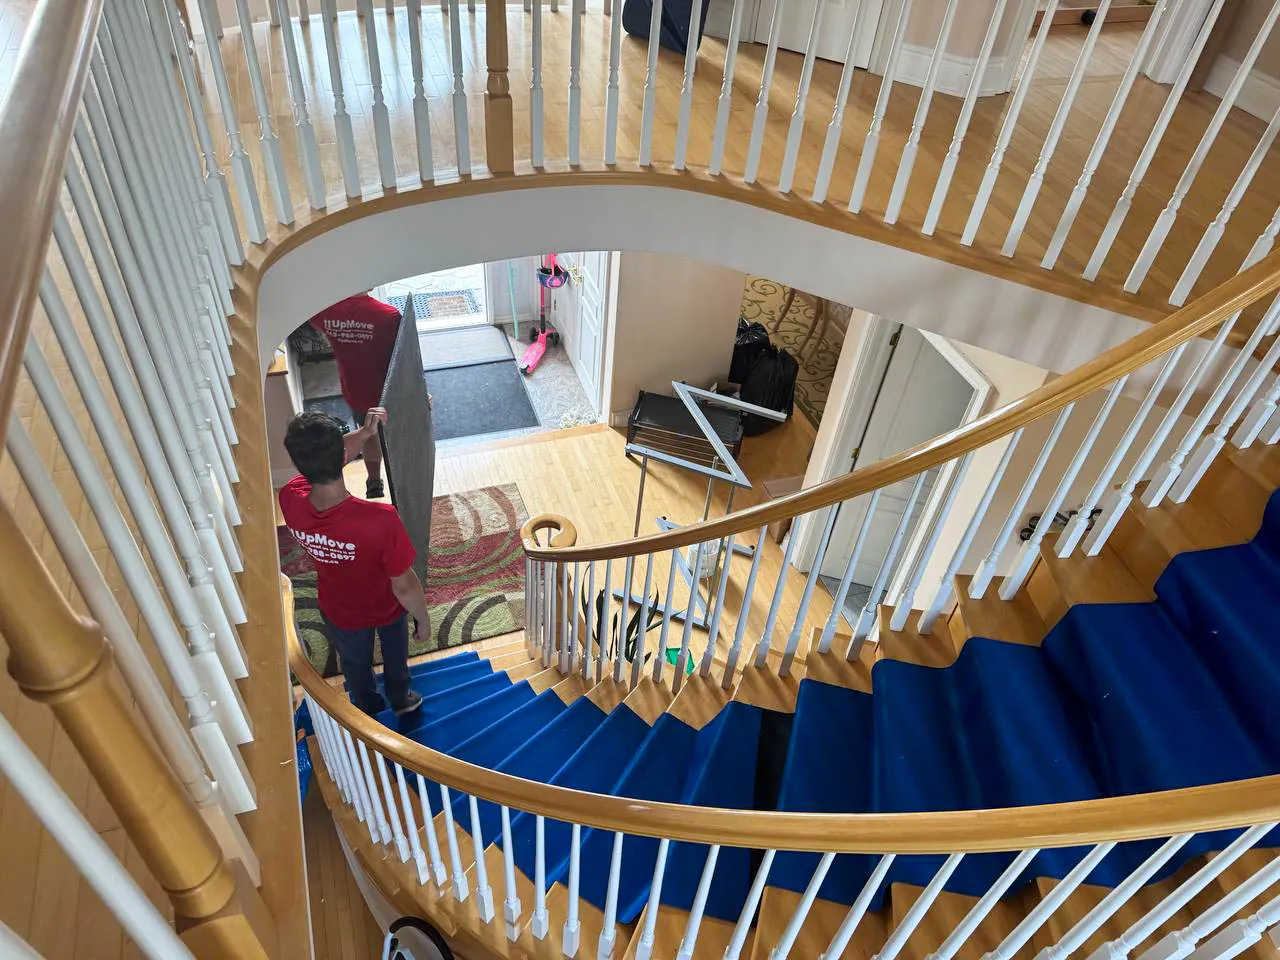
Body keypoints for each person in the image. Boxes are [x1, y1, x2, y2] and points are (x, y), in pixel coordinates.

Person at [280, 407, 428, 718]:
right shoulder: (380, 519)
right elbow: (404, 585)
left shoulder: (289, 497)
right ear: (342, 457)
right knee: (395, 656)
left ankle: (367, 712)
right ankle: (401, 698)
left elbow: (327, 460)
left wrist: (364, 433)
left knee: (355, 665)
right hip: (386, 608)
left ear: (297, 462)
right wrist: (424, 621)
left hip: (339, 609)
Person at [308, 293, 403, 499]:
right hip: (390, 390)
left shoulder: (325, 312)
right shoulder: (388, 315)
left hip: (357, 389)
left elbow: (310, 316)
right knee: (398, 435)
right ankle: (402, 482)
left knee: (368, 434)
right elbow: (405, 357)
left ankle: (374, 481)